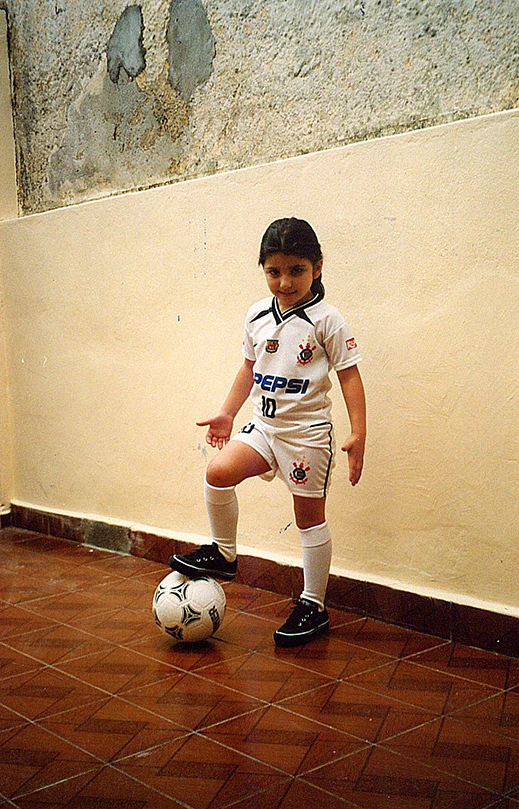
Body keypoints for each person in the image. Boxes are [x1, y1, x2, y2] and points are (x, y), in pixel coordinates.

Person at [169, 217, 366, 646]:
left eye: (296, 270)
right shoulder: (257, 315)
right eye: (274, 271)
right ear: (264, 270)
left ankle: (313, 605)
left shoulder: (327, 320)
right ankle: (223, 554)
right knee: (218, 472)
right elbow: (248, 368)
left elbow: (350, 376)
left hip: (306, 435)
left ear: (317, 267)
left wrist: (359, 432)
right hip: (264, 426)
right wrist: (227, 413)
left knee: (308, 519)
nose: (284, 282)